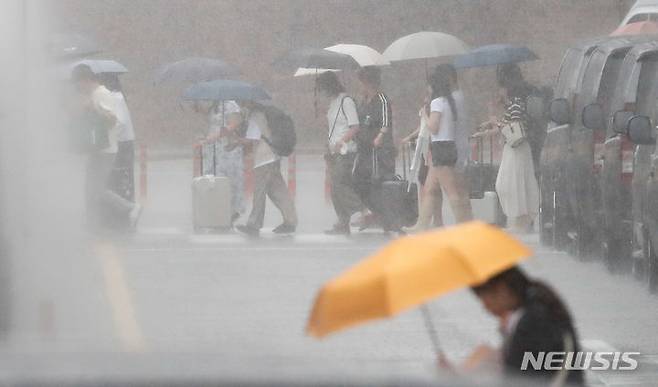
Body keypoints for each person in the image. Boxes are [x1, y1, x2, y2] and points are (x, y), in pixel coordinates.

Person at [465, 267, 585, 385]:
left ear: (501, 290)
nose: (485, 307)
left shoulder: (533, 322)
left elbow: (519, 379)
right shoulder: (537, 303)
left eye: (483, 298)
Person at [72, 65, 142, 231]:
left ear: (85, 80)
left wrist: (92, 109)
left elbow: (113, 120)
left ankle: (129, 208)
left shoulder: (101, 94)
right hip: (101, 150)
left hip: (104, 150)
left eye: (78, 84)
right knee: (93, 189)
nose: (78, 88)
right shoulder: (96, 94)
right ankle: (95, 222)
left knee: (95, 188)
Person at [406, 66, 473, 233]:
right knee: (430, 188)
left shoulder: (437, 102)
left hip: (440, 148)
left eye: (429, 86)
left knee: (452, 191)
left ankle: (462, 225)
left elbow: (433, 127)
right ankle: (422, 224)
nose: (427, 89)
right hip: (448, 147)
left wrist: (424, 115)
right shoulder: (449, 102)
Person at [474, 64, 540, 233]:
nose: (499, 92)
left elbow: (515, 125)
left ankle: (521, 220)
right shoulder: (513, 103)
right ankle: (520, 219)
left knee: (511, 184)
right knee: (512, 183)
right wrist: (489, 128)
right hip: (513, 148)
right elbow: (506, 126)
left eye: (501, 88)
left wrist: (496, 120)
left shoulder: (516, 103)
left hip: (516, 148)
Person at [235, 101, 297, 237]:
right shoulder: (262, 114)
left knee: (259, 192)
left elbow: (252, 139)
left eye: (242, 103)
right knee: (278, 191)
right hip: (272, 156)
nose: (241, 105)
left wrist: (235, 141)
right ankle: (291, 221)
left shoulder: (255, 117)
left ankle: (254, 224)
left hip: (264, 159)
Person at [353, 66, 402, 234]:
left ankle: (385, 217)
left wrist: (379, 137)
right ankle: (374, 212)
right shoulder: (363, 100)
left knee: (378, 182)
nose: (360, 86)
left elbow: (386, 123)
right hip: (364, 148)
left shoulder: (382, 99)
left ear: (368, 82)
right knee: (358, 180)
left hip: (378, 150)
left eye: (362, 82)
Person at [315, 72, 364, 235]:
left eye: (322, 89)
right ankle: (343, 222)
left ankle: (359, 210)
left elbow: (355, 126)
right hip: (333, 151)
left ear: (329, 87)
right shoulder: (333, 103)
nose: (321, 93)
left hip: (346, 150)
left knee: (340, 182)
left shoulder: (346, 101)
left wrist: (341, 141)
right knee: (334, 187)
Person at [198, 100, 245, 223]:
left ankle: (231, 212)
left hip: (227, 149)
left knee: (228, 182)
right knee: (212, 181)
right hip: (212, 149)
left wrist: (217, 135)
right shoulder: (213, 106)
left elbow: (234, 124)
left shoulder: (230, 105)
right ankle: (216, 211)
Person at [99, 74, 136, 204]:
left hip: (122, 143)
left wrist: (109, 135)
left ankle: (126, 205)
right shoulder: (118, 96)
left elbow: (120, 122)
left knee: (121, 176)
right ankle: (127, 202)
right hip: (125, 142)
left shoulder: (115, 97)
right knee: (124, 176)